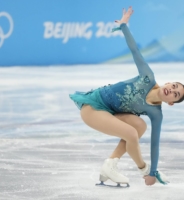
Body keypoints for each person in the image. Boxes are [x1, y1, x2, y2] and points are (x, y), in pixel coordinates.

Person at [69, 6, 184, 186]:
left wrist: (155, 172)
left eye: (176, 95)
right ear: (168, 83)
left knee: (139, 126)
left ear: (171, 103)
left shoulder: (156, 114)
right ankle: (140, 168)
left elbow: (155, 144)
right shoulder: (148, 78)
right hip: (93, 106)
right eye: (174, 86)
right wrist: (124, 26)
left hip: (109, 113)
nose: (173, 90)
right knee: (131, 132)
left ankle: (110, 163)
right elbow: (135, 51)